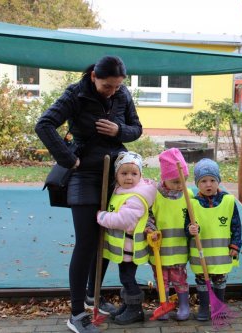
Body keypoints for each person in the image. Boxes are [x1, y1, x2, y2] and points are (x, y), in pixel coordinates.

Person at [35, 55, 142, 333]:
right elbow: (44, 124)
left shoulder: (123, 94)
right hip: (84, 174)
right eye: (108, 86)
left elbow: (136, 129)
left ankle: (93, 295)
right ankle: (76, 313)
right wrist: (69, 160)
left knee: (108, 236)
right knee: (86, 242)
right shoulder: (75, 94)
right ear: (94, 76)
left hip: (116, 174)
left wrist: (119, 129)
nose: (113, 91)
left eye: (117, 86)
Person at [96, 151, 156, 325]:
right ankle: (127, 305)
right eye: (124, 173)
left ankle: (135, 309)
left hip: (131, 248)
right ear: (116, 175)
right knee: (125, 277)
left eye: (134, 173)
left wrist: (102, 217)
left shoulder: (136, 197)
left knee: (127, 278)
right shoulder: (122, 190)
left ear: (140, 175)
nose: (129, 177)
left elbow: (124, 220)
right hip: (125, 248)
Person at [185, 158, 242, 321]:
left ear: (218, 181)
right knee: (202, 281)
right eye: (203, 181)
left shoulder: (228, 201)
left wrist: (235, 245)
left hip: (221, 254)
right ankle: (204, 307)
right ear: (197, 183)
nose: (208, 184)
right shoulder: (193, 203)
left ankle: (218, 307)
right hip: (201, 254)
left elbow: (236, 226)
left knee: (220, 280)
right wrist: (190, 229)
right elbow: (186, 227)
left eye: (212, 180)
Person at [145, 148, 193, 321]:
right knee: (161, 280)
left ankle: (184, 304)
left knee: (180, 280)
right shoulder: (154, 195)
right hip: (159, 250)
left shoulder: (189, 195)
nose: (181, 185)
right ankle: (163, 304)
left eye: (184, 180)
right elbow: (148, 216)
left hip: (179, 250)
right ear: (164, 178)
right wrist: (150, 229)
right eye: (175, 181)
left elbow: (193, 219)